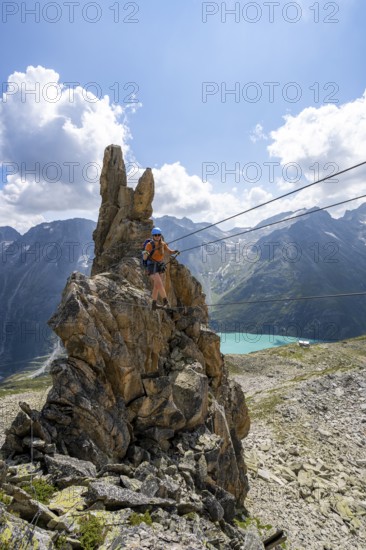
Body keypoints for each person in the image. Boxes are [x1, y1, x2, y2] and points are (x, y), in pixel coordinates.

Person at [143, 227, 178, 310]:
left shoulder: (162, 244)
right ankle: (166, 302)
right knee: (159, 284)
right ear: (153, 236)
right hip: (152, 266)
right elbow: (144, 258)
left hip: (159, 265)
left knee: (156, 286)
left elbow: (169, 251)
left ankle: (154, 304)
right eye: (155, 235)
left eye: (159, 235)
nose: (157, 236)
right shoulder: (149, 245)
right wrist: (145, 253)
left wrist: (175, 251)